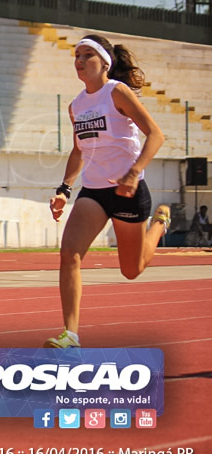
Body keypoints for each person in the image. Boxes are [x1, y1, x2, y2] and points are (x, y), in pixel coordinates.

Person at [46, 34, 169, 348]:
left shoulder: (117, 92)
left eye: (88, 55)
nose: (80, 60)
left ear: (105, 62)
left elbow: (156, 135)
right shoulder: (76, 105)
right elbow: (78, 152)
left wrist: (133, 172)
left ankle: (159, 224)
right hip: (94, 192)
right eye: (77, 55)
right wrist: (64, 189)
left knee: (132, 269)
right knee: (69, 253)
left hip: (128, 191)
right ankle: (71, 335)